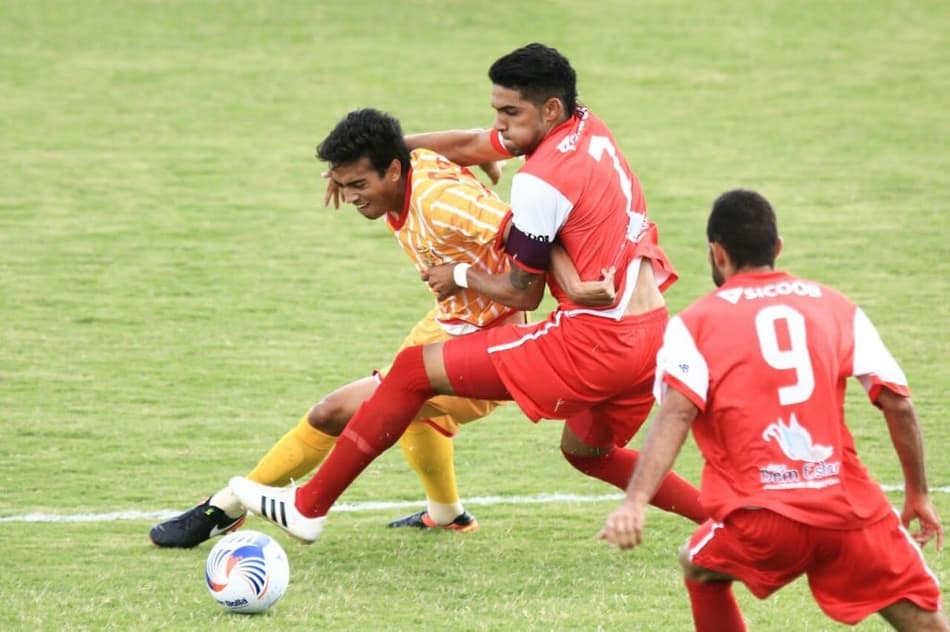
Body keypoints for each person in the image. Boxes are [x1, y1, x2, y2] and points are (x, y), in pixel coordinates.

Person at [229, 42, 707, 542]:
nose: (498, 126)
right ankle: (720, 515)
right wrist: (374, 157)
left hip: (593, 342)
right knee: (587, 452)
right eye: (496, 111)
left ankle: (307, 506)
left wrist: (458, 274)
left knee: (412, 371)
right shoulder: (587, 126)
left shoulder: (540, 181)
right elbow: (474, 143)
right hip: (651, 335)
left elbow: (523, 294)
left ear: (548, 109)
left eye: (509, 112)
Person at [149, 108, 531, 547]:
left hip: (489, 347)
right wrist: (485, 148)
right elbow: (433, 144)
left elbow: (531, 240)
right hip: (450, 324)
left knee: (332, 412)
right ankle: (448, 515)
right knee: (417, 419)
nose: (349, 197)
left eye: (358, 185)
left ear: (391, 172)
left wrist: (467, 277)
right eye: (343, 184)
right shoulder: (408, 165)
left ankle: (225, 508)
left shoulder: (439, 202)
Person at [599, 189, 946, 631]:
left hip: (763, 521)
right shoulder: (835, 306)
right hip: (848, 513)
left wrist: (635, 501)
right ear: (777, 248)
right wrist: (917, 492)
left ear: (716, 253)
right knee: (921, 617)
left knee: (699, 564)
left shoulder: (695, 324)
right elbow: (898, 403)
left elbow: (676, 414)